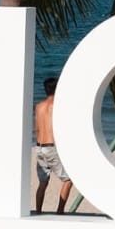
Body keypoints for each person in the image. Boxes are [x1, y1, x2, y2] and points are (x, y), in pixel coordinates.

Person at [34, 77, 73, 214]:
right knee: (68, 179)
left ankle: (38, 211)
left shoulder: (39, 106)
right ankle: (60, 211)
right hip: (51, 147)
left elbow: (37, 129)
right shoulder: (58, 107)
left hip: (39, 147)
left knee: (43, 182)